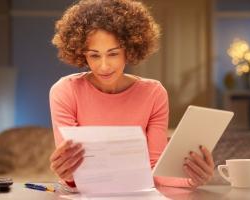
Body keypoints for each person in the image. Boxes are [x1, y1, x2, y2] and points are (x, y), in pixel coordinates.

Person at [49, 0, 214, 189]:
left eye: (113, 54)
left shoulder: (154, 93)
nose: (104, 66)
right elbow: (72, 170)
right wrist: (68, 174)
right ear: (82, 54)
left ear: (129, 50)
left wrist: (192, 179)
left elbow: (155, 168)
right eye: (94, 55)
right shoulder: (65, 91)